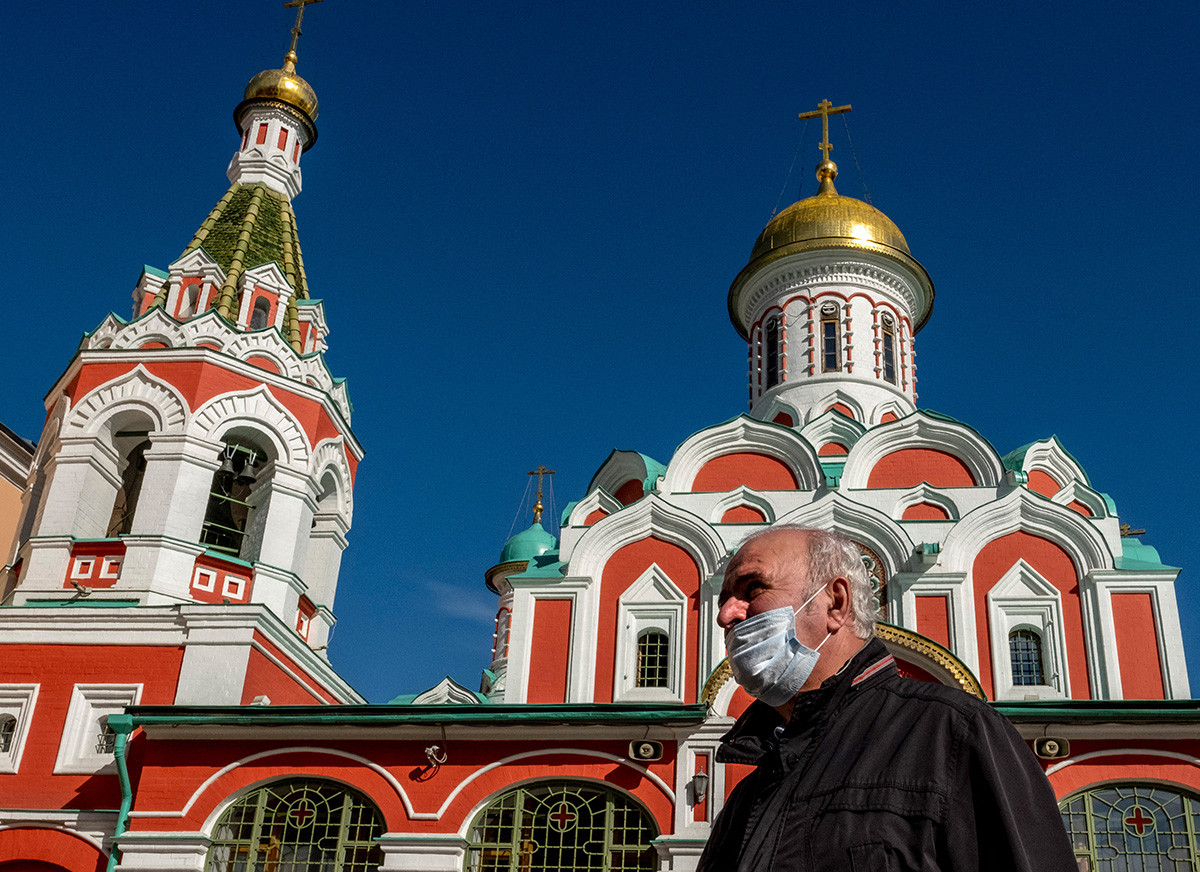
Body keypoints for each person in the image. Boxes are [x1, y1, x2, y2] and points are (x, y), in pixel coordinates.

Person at [697, 526, 1078, 872]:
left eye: (753, 589)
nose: (727, 614)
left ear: (835, 602)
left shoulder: (950, 734)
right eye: (726, 598)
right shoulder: (753, 789)